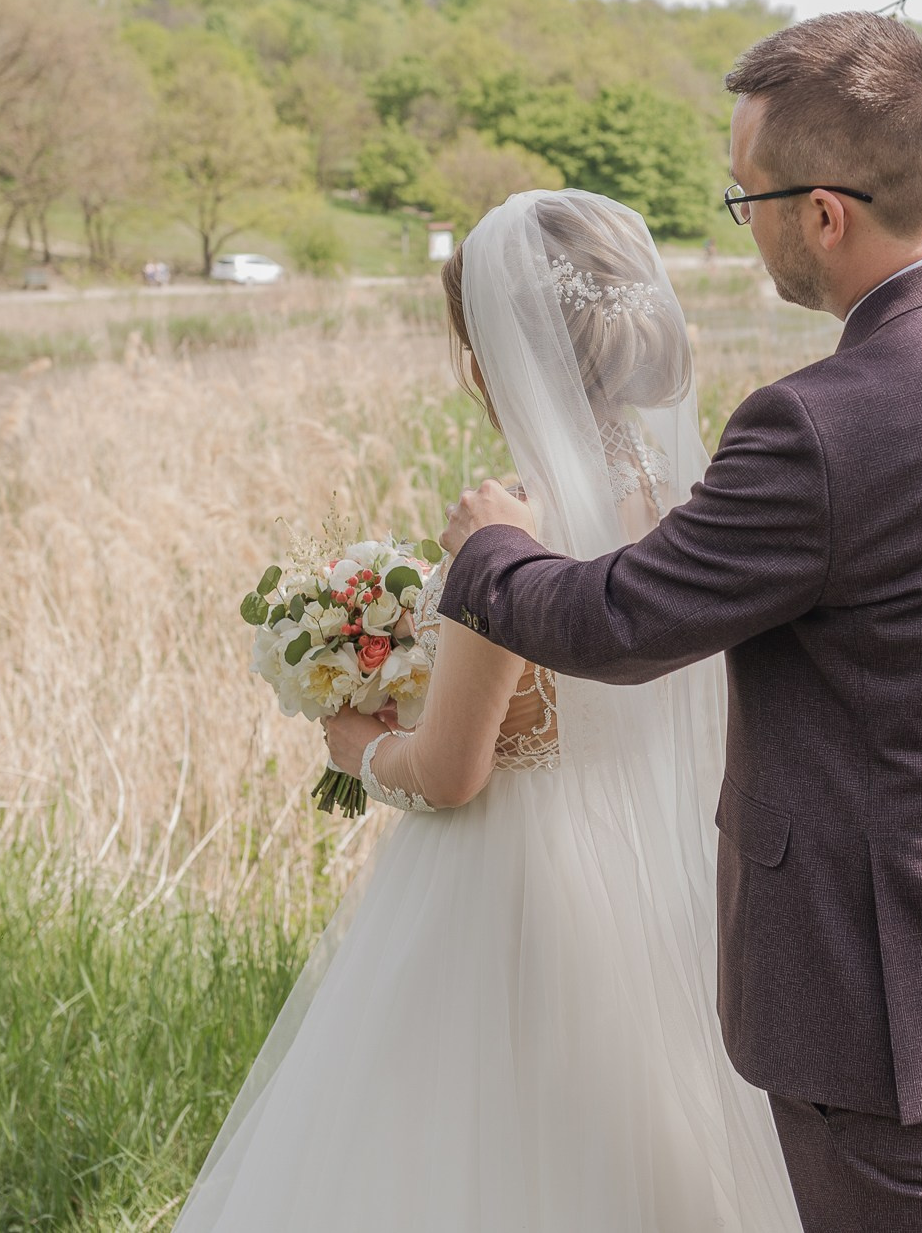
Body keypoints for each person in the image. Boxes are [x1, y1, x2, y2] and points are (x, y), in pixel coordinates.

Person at [438, 11, 922, 1231]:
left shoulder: (817, 423)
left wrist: (490, 552)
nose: (744, 223)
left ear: (824, 213)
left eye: (745, 197)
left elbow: (621, 620)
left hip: (877, 1001)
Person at [170, 188, 804, 1233]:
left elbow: (451, 772)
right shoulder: (684, 497)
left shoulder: (509, 529)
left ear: (490, 354)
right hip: (666, 877)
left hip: (522, 894)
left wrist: (356, 744)